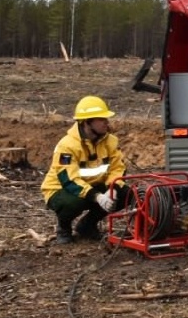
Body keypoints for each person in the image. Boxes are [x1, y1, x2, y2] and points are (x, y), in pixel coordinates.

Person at [41, 96, 129, 245]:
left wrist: (112, 189)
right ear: (87, 122)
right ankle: (64, 228)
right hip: (61, 190)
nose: (106, 122)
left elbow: (118, 168)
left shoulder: (110, 141)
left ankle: (87, 226)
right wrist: (98, 197)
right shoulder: (67, 146)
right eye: (101, 119)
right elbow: (69, 181)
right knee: (73, 203)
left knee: (125, 193)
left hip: (93, 187)